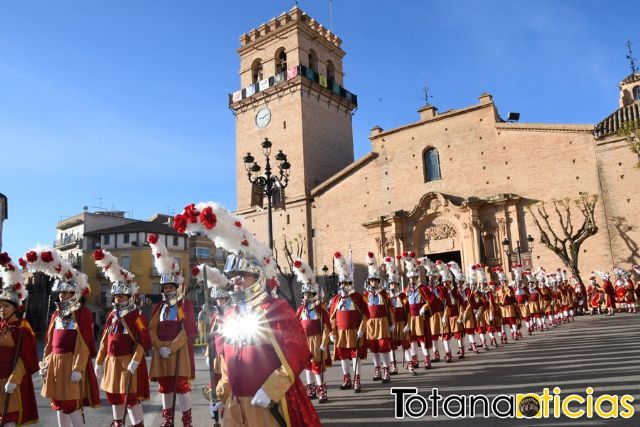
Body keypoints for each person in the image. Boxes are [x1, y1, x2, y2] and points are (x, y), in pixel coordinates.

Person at [174, 201, 321, 426]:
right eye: (233, 277)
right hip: (235, 402)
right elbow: (226, 359)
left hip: (268, 402)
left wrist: (271, 389)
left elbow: (296, 354)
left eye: (242, 275)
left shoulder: (276, 309)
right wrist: (221, 393)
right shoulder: (231, 313)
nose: (236, 282)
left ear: (258, 276)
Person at [24, 246, 101, 427]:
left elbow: (84, 343)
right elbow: (50, 342)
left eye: (66, 293)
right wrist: (44, 363)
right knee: (57, 403)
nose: (62, 296)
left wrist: (78, 367)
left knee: (70, 405)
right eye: (61, 293)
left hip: (71, 363)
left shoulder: (83, 314)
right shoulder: (55, 315)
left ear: (75, 294)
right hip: (55, 363)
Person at [92, 249, 152, 427]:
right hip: (111, 362)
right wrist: (99, 361)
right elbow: (105, 339)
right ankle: (118, 424)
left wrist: (135, 360)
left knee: (131, 399)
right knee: (114, 397)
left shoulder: (137, 316)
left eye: (121, 296)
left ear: (129, 297)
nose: (118, 300)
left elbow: (142, 341)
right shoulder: (111, 315)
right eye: (116, 296)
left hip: (128, 362)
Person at [147, 233, 197, 427]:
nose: (168, 290)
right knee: (165, 386)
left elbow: (188, 330)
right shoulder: (158, 308)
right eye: (165, 287)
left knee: (181, 386)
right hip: (161, 353)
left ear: (177, 287)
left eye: (171, 287)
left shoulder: (186, 306)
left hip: (179, 352)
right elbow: (152, 329)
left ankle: (187, 420)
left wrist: (173, 347)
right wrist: (159, 347)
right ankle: (167, 419)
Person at [0, 253, 39, 427]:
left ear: (15, 308)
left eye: (6, 306)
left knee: (9, 420)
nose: (2, 310)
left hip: (11, 382)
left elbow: (26, 357)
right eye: (0, 306)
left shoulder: (23, 327)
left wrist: (13, 380)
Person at [293, 259, 331, 402]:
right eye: (304, 295)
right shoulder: (301, 309)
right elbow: (295, 325)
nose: (306, 297)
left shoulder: (320, 309)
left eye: (309, 294)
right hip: (304, 340)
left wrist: (324, 342)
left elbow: (327, 326)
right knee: (307, 366)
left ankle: (322, 390)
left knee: (317, 366)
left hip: (316, 339)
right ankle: (311, 389)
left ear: (314, 295)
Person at [329, 251, 367, 393]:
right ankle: (347, 379)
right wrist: (332, 333)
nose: (344, 286)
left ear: (350, 283)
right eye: (342, 283)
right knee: (343, 357)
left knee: (355, 356)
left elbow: (365, 315)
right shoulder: (335, 299)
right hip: (340, 333)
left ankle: (357, 380)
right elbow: (332, 317)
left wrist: (361, 329)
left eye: (346, 283)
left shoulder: (357, 297)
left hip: (354, 332)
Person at [363, 252, 394, 383]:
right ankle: (377, 369)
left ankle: (387, 370)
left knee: (383, 347)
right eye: (371, 281)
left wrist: (392, 323)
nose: (373, 283)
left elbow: (389, 308)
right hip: (370, 323)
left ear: (379, 281)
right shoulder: (365, 295)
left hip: (382, 322)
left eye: (375, 281)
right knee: (374, 348)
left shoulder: (384, 294)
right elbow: (363, 311)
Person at [383, 256, 409, 375]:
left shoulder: (403, 296)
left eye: (395, 284)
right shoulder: (387, 298)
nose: (393, 286)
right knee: (392, 346)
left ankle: (410, 364)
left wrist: (408, 324)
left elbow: (407, 310)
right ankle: (394, 366)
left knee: (405, 345)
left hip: (402, 323)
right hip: (392, 324)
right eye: (391, 285)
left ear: (398, 285)